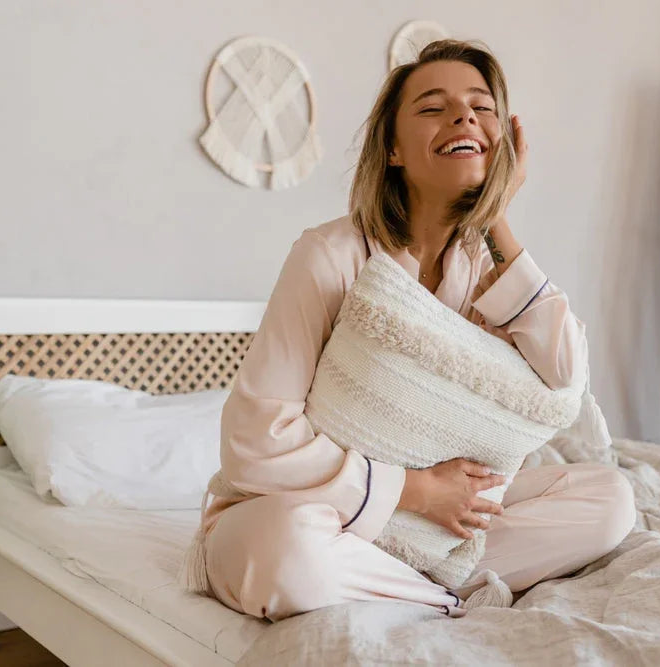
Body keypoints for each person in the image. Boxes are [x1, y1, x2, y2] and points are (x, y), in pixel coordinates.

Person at [187, 39, 636, 621]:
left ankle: (390, 581)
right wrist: (417, 492)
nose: (464, 116)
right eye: (433, 107)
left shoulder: (487, 267)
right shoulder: (329, 255)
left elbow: (566, 375)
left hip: (437, 533)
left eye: (481, 107)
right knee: (287, 552)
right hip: (310, 513)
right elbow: (255, 442)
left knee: (609, 500)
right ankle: (443, 599)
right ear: (394, 149)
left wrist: (497, 216)